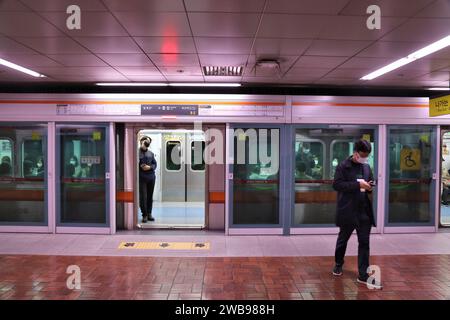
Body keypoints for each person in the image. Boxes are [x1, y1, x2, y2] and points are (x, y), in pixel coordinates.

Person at [331, 139, 382, 289]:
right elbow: (337, 184)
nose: (364, 158)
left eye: (367, 155)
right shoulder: (343, 166)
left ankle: (363, 275)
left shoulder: (366, 167)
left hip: (364, 211)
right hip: (348, 210)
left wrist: (370, 186)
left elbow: (371, 181)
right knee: (343, 240)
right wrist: (357, 185)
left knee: (364, 243)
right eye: (362, 155)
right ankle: (338, 263)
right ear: (355, 153)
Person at [138, 136, 157, 223]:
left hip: (151, 177)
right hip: (142, 177)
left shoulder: (151, 153)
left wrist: (150, 167)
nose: (146, 143)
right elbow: (136, 163)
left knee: (150, 196)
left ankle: (149, 213)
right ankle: (144, 214)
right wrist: (141, 166)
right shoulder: (137, 153)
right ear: (141, 142)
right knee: (143, 197)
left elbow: (154, 164)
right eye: (144, 142)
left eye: (147, 142)